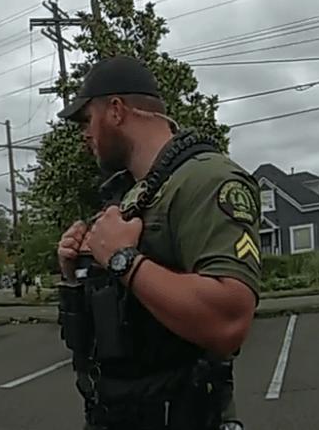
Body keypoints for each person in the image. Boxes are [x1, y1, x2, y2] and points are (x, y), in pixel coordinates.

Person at [55, 56, 259, 430]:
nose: (84, 134)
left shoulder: (205, 179)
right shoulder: (131, 196)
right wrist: (77, 271)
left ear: (115, 110)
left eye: (87, 119)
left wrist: (122, 260)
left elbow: (229, 320)